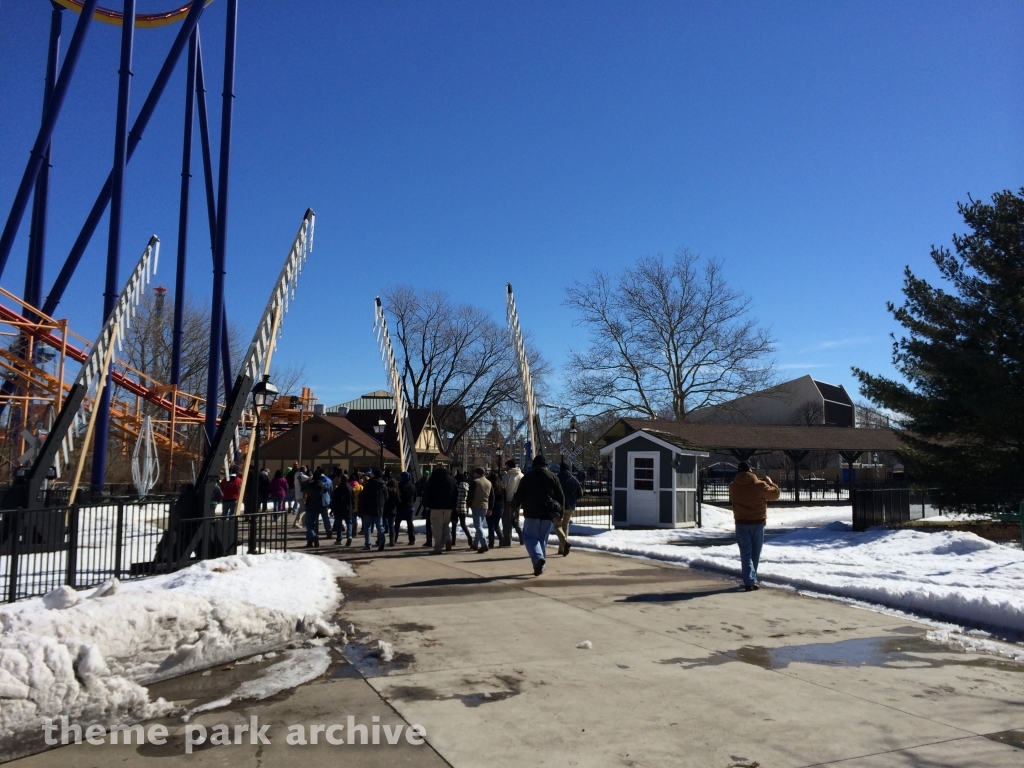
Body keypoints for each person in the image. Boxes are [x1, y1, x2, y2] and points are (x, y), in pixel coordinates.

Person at [728, 462, 780, 591]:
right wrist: (770, 483)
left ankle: (750, 580)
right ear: (751, 471)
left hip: (741, 522)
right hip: (758, 522)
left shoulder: (733, 486)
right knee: (755, 553)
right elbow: (775, 495)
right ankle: (751, 580)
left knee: (745, 552)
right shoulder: (760, 485)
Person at [511, 453, 564, 576]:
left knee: (529, 537)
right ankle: (540, 565)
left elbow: (519, 496)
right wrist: (560, 512)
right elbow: (561, 496)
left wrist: (514, 506)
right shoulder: (553, 477)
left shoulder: (527, 477)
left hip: (531, 512)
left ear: (534, 465)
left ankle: (538, 559)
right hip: (548, 513)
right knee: (541, 540)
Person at [423, 466, 457, 554]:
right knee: (446, 524)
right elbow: (455, 493)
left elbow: (427, 492)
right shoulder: (452, 479)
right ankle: (447, 539)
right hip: (449, 507)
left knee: (437, 527)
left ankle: (438, 547)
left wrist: (427, 505)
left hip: (436, 506)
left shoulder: (433, 479)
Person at [555, 461, 583, 557]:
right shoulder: (574, 479)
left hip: (559, 507)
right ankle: (561, 548)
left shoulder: (557, 478)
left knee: (557, 526)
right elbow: (580, 493)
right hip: (571, 506)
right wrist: (573, 500)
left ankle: (564, 544)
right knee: (565, 526)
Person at [359, 468, 387, 551]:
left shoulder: (369, 485)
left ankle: (368, 544)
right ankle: (382, 540)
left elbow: (363, 496)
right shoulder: (383, 485)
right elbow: (386, 497)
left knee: (367, 527)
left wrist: (362, 507)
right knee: (380, 526)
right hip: (379, 508)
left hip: (368, 508)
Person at [466, 467, 493, 553]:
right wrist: (490, 508)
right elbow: (492, 496)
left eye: (474, 473)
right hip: (485, 506)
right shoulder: (489, 483)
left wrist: (468, 504)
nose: (473, 475)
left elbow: (471, 494)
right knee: (480, 525)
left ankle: (484, 544)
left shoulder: (475, 482)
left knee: (478, 526)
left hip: (476, 505)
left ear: (477, 474)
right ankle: (475, 544)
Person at [501, 459, 524, 546]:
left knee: (507, 521)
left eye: (506, 465)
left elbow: (503, 488)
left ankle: (507, 541)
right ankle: (521, 534)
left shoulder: (507, 476)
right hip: (518, 501)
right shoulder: (521, 475)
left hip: (508, 500)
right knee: (516, 519)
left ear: (509, 466)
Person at [332, 470, 356, 545]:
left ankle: (339, 539)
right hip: (348, 508)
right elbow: (353, 499)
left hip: (339, 508)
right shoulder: (350, 489)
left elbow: (334, 499)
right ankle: (349, 536)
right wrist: (353, 506)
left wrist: (333, 508)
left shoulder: (338, 489)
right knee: (349, 523)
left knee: (339, 525)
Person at [452, 472, 473, 548]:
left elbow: (454, 497)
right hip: (464, 506)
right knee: (463, 524)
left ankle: (453, 541)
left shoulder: (456, 487)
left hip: (456, 507)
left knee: (454, 525)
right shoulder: (467, 487)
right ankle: (469, 537)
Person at [397, 471, 418, 545]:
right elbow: (415, 497)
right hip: (410, 507)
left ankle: (394, 539)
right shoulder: (413, 486)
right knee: (410, 524)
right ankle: (412, 539)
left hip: (400, 507)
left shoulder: (399, 486)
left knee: (397, 524)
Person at [487, 473, 505, 548]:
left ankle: (491, 543)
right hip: (500, 508)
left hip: (492, 507)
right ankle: (502, 539)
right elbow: (504, 497)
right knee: (496, 525)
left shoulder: (490, 487)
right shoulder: (502, 487)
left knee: (490, 525)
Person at [383, 478, 400, 546]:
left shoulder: (385, 491)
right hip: (392, 510)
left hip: (384, 510)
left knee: (382, 525)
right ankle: (391, 541)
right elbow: (398, 502)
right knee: (391, 526)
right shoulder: (395, 492)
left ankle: (381, 540)